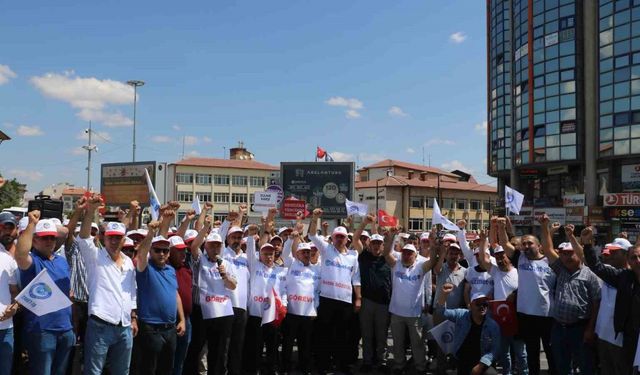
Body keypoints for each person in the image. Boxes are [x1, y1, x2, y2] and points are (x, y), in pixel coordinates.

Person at [78, 194, 138, 375]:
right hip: (100, 326)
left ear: (123, 239)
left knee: (122, 371)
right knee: (94, 372)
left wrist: (133, 318)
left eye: (118, 238)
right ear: (104, 238)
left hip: (125, 326)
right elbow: (83, 238)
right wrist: (90, 211)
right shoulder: (95, 257)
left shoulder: (128, 261)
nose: (114, 241)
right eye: (110, 237)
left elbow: (131, 292)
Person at [539, 216, 600, 375]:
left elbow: (596, 303)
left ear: (578, 253)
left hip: (580, 328)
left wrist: (590, 328)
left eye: (569, 253)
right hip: (559, 327)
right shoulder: (561, 269)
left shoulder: (590, 273)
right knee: (562, 366)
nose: (565, 256)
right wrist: (544, 226)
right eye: (563, 253)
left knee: (585, 366)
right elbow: (547, 248)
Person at [15, 211, 74, 375]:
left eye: (52, 237)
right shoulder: (32, 261)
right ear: (35, 240)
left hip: (65, 328)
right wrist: (32, 224)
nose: (49, 241)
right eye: (44, 237)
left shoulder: (61, 261)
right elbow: (20, 255)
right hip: (42, 331)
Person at [497, 218, 556, 375]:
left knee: (552, 353)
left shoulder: (550, 261)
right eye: (524, 244)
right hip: (526, 316)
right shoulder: (520, 258)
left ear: (539, 246)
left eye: (530, 243)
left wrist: (544, 226)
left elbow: (549, 244)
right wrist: (501, 228)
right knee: (532, 354)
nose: (527, 246)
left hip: (547, 316)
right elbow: (504, 244)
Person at [308, 208, 362, 374]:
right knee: (324, 334)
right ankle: (323, 365)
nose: (339, 239)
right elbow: (311, 235)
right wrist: (315, 217)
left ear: (347, 239)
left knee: (342, 336)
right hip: (327, 299)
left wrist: (358, 298)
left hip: (345, 301)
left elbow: (356, 279)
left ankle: (342, 365)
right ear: (332, 238)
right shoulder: (326, 249)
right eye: (337, 236)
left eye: (342, 237)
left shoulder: (353, 256)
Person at [582, 227, 640, 374]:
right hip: (628, 340)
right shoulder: (623, 277)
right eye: (634, 258)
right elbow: (597, 267)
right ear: (629, 260)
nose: (638, 261)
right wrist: (587, 244)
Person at [183, 218, 237, 375]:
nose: (215, 248)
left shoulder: (226, 262)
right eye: (211, 244)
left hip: (222, 313)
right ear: (205, 245)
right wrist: (206, 227)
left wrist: (225, 276)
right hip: (202, 312)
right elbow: (193, 247)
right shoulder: (200, 260)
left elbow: (233, 285)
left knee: (219, 352)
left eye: (217, 245)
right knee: (196, 348)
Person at [383, 228, 437, 375]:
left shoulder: (421, 266)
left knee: (417, 343)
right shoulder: (396, 265)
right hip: (396, 312)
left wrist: (432, 244)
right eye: (404, 253)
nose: (406, 256)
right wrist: (392, 235)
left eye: (410, 253)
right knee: (398, 342)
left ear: (415, 255)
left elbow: (433, 261)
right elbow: (386, 252)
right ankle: (399, 365)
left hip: (414, 313)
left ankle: (420, 367)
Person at [135, 221, 186, 375]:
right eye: (157, 250)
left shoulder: (171, 270)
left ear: (169, 253)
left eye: (165, 250)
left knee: (166, 369)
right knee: (148, 369)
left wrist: (182, 319)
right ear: (151, 251)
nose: (162, 254)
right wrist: (151, 232)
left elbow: (175, 294)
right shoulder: (145, 267)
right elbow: (141, 253)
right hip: (151, 328)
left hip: (170, 328)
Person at [476, 229, 526, 375]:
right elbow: (483, 259)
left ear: (508, 256)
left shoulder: (519, 271)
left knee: (520, 352)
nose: (500, 259)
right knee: (504, 352)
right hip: (499, 319)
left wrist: (515, 294)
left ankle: (524, 372)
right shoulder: (495, 271)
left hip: (517, 317)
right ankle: (507, 372)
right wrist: (483, 241)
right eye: (497, 257)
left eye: (502, 256)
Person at [244, 223, 288, 375]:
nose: (269, 256)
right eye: (265, 254)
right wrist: (250, 237)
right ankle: (253, 369)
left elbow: (283, 292)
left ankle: (271, 369)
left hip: (273, 316)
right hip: (256, 314)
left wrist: (284, 305)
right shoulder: (255, 266)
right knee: (255, 346)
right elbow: (250, 251)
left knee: (272, 346)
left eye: (271, 254)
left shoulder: (281, 271)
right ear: (260, 255)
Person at [352, 215, 392, 373]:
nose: (376, 246)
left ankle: (381, 361)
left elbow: (390, 243)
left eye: (379, 243)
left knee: (382, 335)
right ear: (369, 245)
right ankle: (367, 361)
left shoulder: (388, 259)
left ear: (383, 246)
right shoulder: (363, 256)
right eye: (374, 243)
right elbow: (355, 238)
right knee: (367, 334)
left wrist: (390, 235)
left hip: (383, 303)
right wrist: (364, 223)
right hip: (367, 302)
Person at [435, 284, 501, 375]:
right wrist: (444, 294)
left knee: (492, 373)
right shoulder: (461, 315)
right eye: (478, 304)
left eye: (485, 304)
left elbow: (495, 350)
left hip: (481, 361)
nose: (482, 307)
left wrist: (480, 366)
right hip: (461, 359)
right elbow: (441, 312)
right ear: (470, 306)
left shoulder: (493, 325)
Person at [281, 238, 320, 375]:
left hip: (308, 313)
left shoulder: (315, 270)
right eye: (303, 252)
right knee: (288, 342)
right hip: (291, 311)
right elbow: (285, 253)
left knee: (306, 343)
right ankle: (285, 367)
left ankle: (304, 367)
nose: (306, 254)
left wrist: (315, 308)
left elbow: (317, 291)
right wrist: (291, 238)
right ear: (297, 254)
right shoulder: (291, 264)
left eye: (308, 252)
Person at [167, 235, 193, 375]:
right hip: (170, 321)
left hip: (186, 321)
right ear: (169, 252)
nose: (183, 254)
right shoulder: (165, 268)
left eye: (184, 250)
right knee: (168, 361)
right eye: (178, 251)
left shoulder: (187, 268)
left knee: (180, 360)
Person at [0, 218, 18, 375]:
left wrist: (14, 308)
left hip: (6, 328)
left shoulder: (8, 259)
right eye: (2, 227)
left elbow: (15, 292)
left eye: (9, 227)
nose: (6, 230)